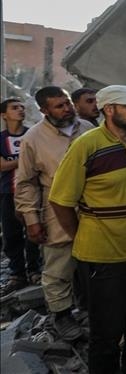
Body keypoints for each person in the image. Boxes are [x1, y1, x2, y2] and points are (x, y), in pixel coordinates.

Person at [49, 85, 126, 374]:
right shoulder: (86, 145)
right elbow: (60, 200)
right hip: (105, 258)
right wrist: (81, 237)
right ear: (109, 110)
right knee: (107, 333)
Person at [15, 87, 94, 340]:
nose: (67, 109)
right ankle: (61, 315)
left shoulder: (88, 128)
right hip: (57, 207)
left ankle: (96, 308)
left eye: (68, 102)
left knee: (99, 260)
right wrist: (32, 220)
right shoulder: (33, 138)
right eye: (59, 106)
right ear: (44, 110)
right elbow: (26, 183)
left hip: (94, 204)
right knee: (59, 263)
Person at [1, 98, 41, 296]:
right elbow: (2, 166)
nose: (20, 110)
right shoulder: (1, 139)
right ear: (4, 115)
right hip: (8, 192)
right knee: (11, 234)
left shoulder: (32, 134)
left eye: (22, 107)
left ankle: (34, 270)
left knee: (33, 230)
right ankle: (17, 274)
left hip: (31, 191)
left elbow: (39, 160)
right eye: (14, 108)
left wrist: (16, 161)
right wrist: (25, 159)